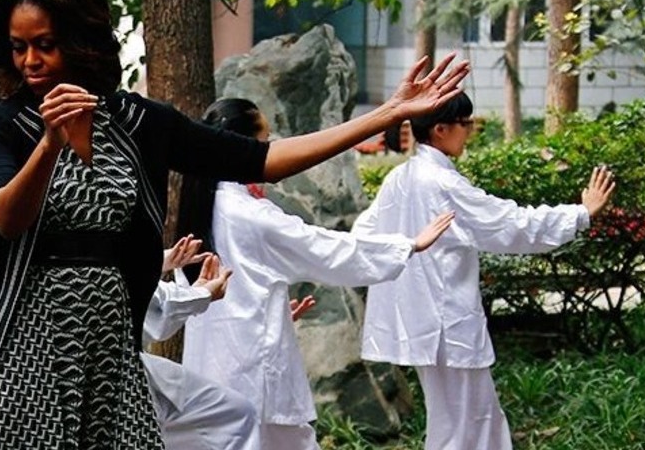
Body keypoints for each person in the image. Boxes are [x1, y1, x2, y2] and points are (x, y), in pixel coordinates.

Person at [0, 0, 470, 446]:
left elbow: (264, 160)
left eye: (45, 43)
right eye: (19, 47)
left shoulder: (139, 122)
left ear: (82, 40)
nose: (31, 61)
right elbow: (7, 216)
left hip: (107, 353)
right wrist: (49, 142)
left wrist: (385, 116)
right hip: (17, 354)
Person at [0, 66, 261, 449]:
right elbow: (48, 273)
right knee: (227, 413)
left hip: (19, 355)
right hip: (33, 357)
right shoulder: (17, 184)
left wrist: (157, 262)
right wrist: (196, 295)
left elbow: (79, 264)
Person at [178, 98, 455, 449]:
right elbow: (324, 249)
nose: (270, 154)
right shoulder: (248, 214)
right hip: (254, 368)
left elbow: (209, 295)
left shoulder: (198, 209)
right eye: (265, 145)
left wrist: (272, 311)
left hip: (215, 365)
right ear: (243, 149)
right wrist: (408, 246)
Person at [351, 91, 615, 450]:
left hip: (423, 323)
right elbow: (509, 224)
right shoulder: (442, 183)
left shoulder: (400, 178)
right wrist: (580, 214)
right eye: (465, 123)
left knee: (464, 420)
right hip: (447, 325)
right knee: (465, 424)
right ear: (441, 130)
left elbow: (364, 235)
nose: (471, 130)